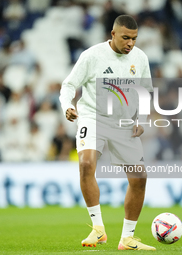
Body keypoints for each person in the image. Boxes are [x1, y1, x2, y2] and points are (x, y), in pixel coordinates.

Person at [59, 15, 155, 251]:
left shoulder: (140, 58)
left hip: (124, 123)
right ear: (112, 34)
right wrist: (67, 106)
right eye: (125, 38)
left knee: (139, 179)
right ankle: (98, 229)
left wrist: (141, 119)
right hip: (93, 117)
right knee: (86, 164)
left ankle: (127, 238)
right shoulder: (92, 56)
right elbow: (68, 85)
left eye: (134, 38)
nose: (130, 43)